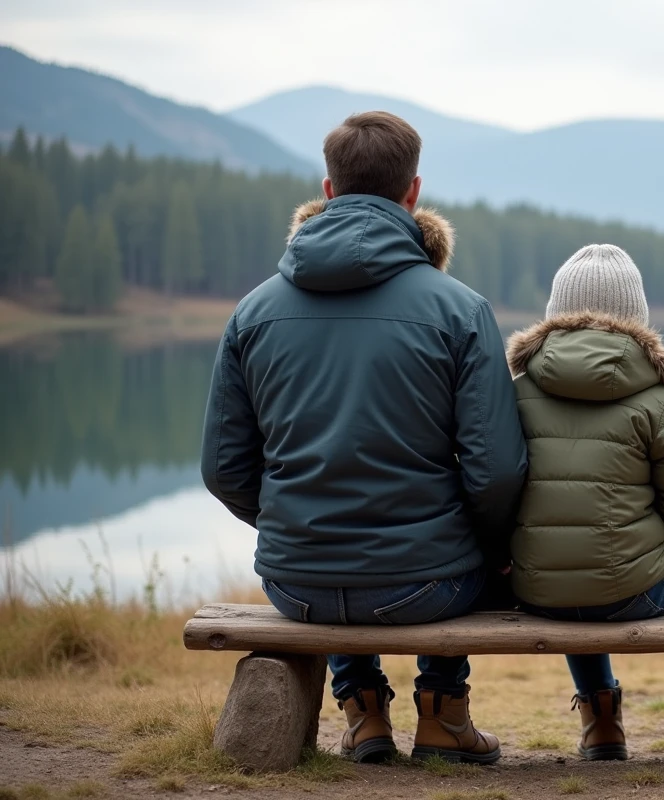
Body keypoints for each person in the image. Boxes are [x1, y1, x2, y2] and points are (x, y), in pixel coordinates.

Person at [200, 111, 527, 765]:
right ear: (413, 193)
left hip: (295, 585)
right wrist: (488, 545)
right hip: (430, 586)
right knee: (470, 547)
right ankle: (443, 717)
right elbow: (495, 473)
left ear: (327, 191)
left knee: (373, 543)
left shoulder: (253, 311)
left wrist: (294, 522)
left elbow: (223, 469)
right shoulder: (459, 309)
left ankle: (364, 713)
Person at [505, 244, 664, 761]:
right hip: (634, 592)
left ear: (555, 316)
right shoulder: (660, 401)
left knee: (577, 577)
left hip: (535, 590)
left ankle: (601, 725)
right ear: (638, 319)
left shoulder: (511, 392)